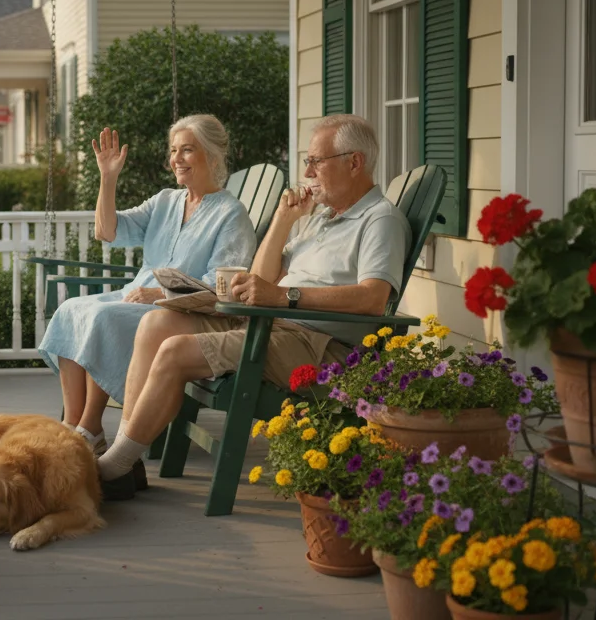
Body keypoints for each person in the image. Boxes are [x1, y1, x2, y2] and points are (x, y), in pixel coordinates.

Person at [95, 114, 411, 497]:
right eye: (307, 162)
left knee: (176, 353)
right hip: (274, 325)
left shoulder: (381, 220)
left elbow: (373, 298)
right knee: (157, 324)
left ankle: (113, 467)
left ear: (354, 162)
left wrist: (285, 297)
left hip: (319, 345)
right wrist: (283, 220)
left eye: (316, 161)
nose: (307, 171)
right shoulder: (321, 219)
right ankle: (127, 460)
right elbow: (262, 278)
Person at [38, 115, 256, 460]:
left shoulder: (231, 214)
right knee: (70, 310)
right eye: (173, 151)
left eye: (187, 150)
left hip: (178, 311)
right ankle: (76, 428)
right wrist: (107, 179)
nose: (176, 159)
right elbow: (108, 231)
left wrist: (160, 294)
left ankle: (90, 425)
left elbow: (222, 283)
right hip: (136, 294)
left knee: (104, 318)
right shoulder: (166, 200)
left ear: (212, 157)